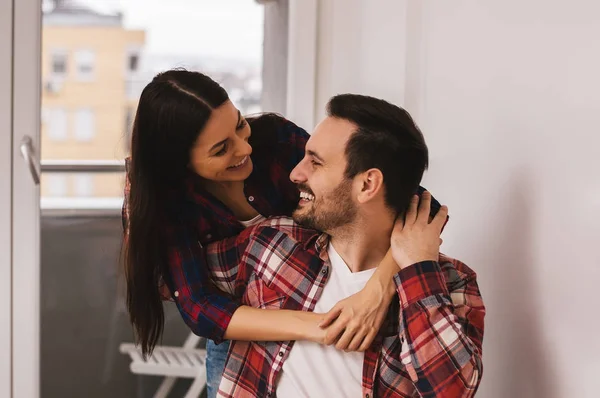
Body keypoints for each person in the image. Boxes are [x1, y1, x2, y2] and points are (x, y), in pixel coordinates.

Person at [122, 69, 442, 397]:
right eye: (221, 150)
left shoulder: (274, 139)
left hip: (332, 294)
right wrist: (321, 326)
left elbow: (420, 203)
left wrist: (375, 292)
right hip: (245, 332)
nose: (244, 148)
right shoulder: (165, 199)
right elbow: (201, 308)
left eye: (239, 124)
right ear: (178, 163)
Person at [202, 94, 485, 397]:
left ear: (367, 185)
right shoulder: (273, 244)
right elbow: (169, 283)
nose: (296, 173)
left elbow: (452, 390)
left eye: (316, 162)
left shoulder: (448, 281)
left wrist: (417, 270)